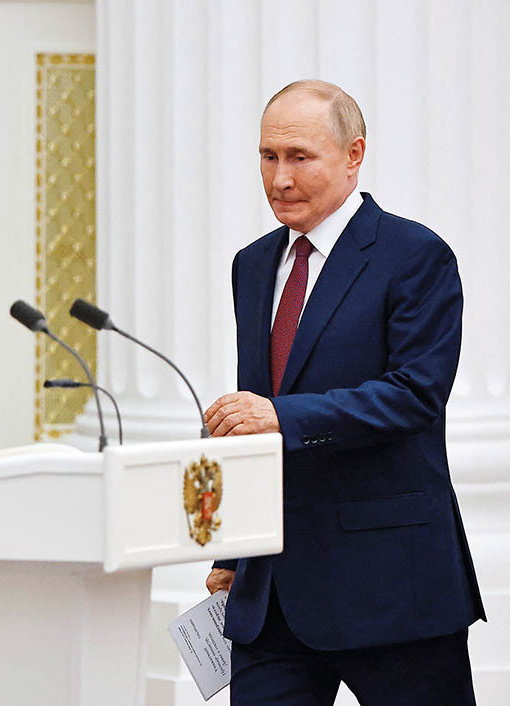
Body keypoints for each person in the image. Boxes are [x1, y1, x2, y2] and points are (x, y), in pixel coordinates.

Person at [203, 80, 485, 705]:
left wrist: (281, 417)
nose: (279, 179)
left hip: (390, 588)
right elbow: (259, 413)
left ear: (354, 154)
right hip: (271, 596)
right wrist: (234, 552)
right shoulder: (252, 264)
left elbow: (415, 394)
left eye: (299, 157)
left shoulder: (415, 255)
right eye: (268, 156)